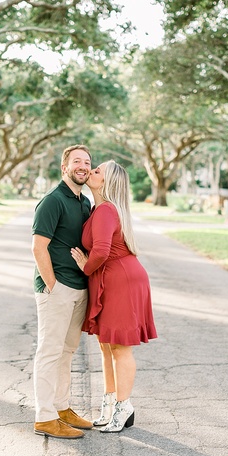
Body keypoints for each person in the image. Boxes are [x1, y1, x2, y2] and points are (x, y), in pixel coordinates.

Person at [71, 160, 157, 433]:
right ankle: (109, 403)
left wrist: (85, 266)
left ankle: (124, 406)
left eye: (98, 171)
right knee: (106, 346)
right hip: (113, 279)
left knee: (120, 348)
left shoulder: (106, 210)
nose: (92, 171)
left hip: (121, 281)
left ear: (107, 182)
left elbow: (101, 251)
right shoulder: (99, 209)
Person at [31, 144, 94, 439]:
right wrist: (52, 286)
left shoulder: (84, 202)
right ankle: (45, 417)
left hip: (79, 287)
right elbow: (38, 247)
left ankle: (61, 407)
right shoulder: (52, 201)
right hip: (57, 289)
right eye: (77, 161)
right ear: (64, 167)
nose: (83, 166)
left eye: (87, 162)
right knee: (50, 351)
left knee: (67, 352)